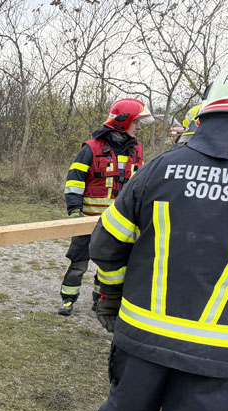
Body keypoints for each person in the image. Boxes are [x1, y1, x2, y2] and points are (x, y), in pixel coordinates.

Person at [82, 63, 228, 411]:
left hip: (142, 333)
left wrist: (111, 297)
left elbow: (106, 244)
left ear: (206, 113)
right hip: (219, 350)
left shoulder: (160, 168)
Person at [58, 99, 154, 317]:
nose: (139, 127)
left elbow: (138, 184)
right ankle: (67, 299)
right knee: (79, 263)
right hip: (88, 220)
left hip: (118, 222)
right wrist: (74, 212)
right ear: (123, 121)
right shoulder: (91, 148)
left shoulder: (136, 149)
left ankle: (99, 301)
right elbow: (75, 180)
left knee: (109, 265)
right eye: (136, 122)